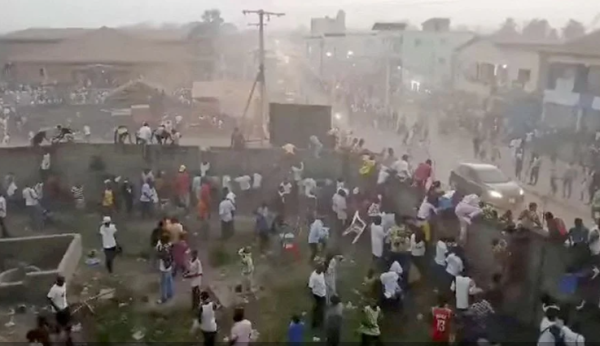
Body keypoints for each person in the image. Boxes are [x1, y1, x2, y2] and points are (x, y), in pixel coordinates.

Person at [156, 234, 174, 304]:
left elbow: (160, 255)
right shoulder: (169, 245)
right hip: (169, 266)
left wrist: (159, 252)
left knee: (163, 283)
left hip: (164, 267)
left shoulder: (163, 248)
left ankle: (164, 298)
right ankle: (170, 294)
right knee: (169, 280)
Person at [308, 265, 327, 329]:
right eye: (321, 269)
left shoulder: (321, 273)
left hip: (323, 293)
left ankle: (320, 322)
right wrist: (312, 298)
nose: (322, 271)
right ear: (317, 269)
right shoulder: (313, 276)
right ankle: (315, 323)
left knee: (321, 309)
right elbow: (310, 287)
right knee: (318, 309)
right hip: (317, 295)